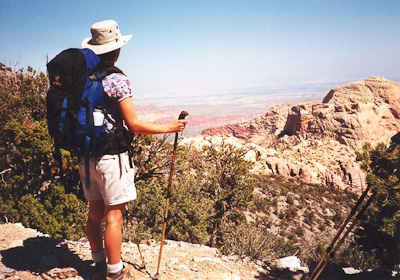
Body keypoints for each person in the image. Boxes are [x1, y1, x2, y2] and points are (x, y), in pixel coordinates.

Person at [79, 19, 187, 280]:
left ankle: (98, 260)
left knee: (94, 213)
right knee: (113, 216)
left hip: (85, 154)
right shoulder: (116, 79)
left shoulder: (83, 78)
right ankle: (115, 272)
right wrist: (169, 128)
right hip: (112, 157)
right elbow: (134, 124)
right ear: (117, 49)